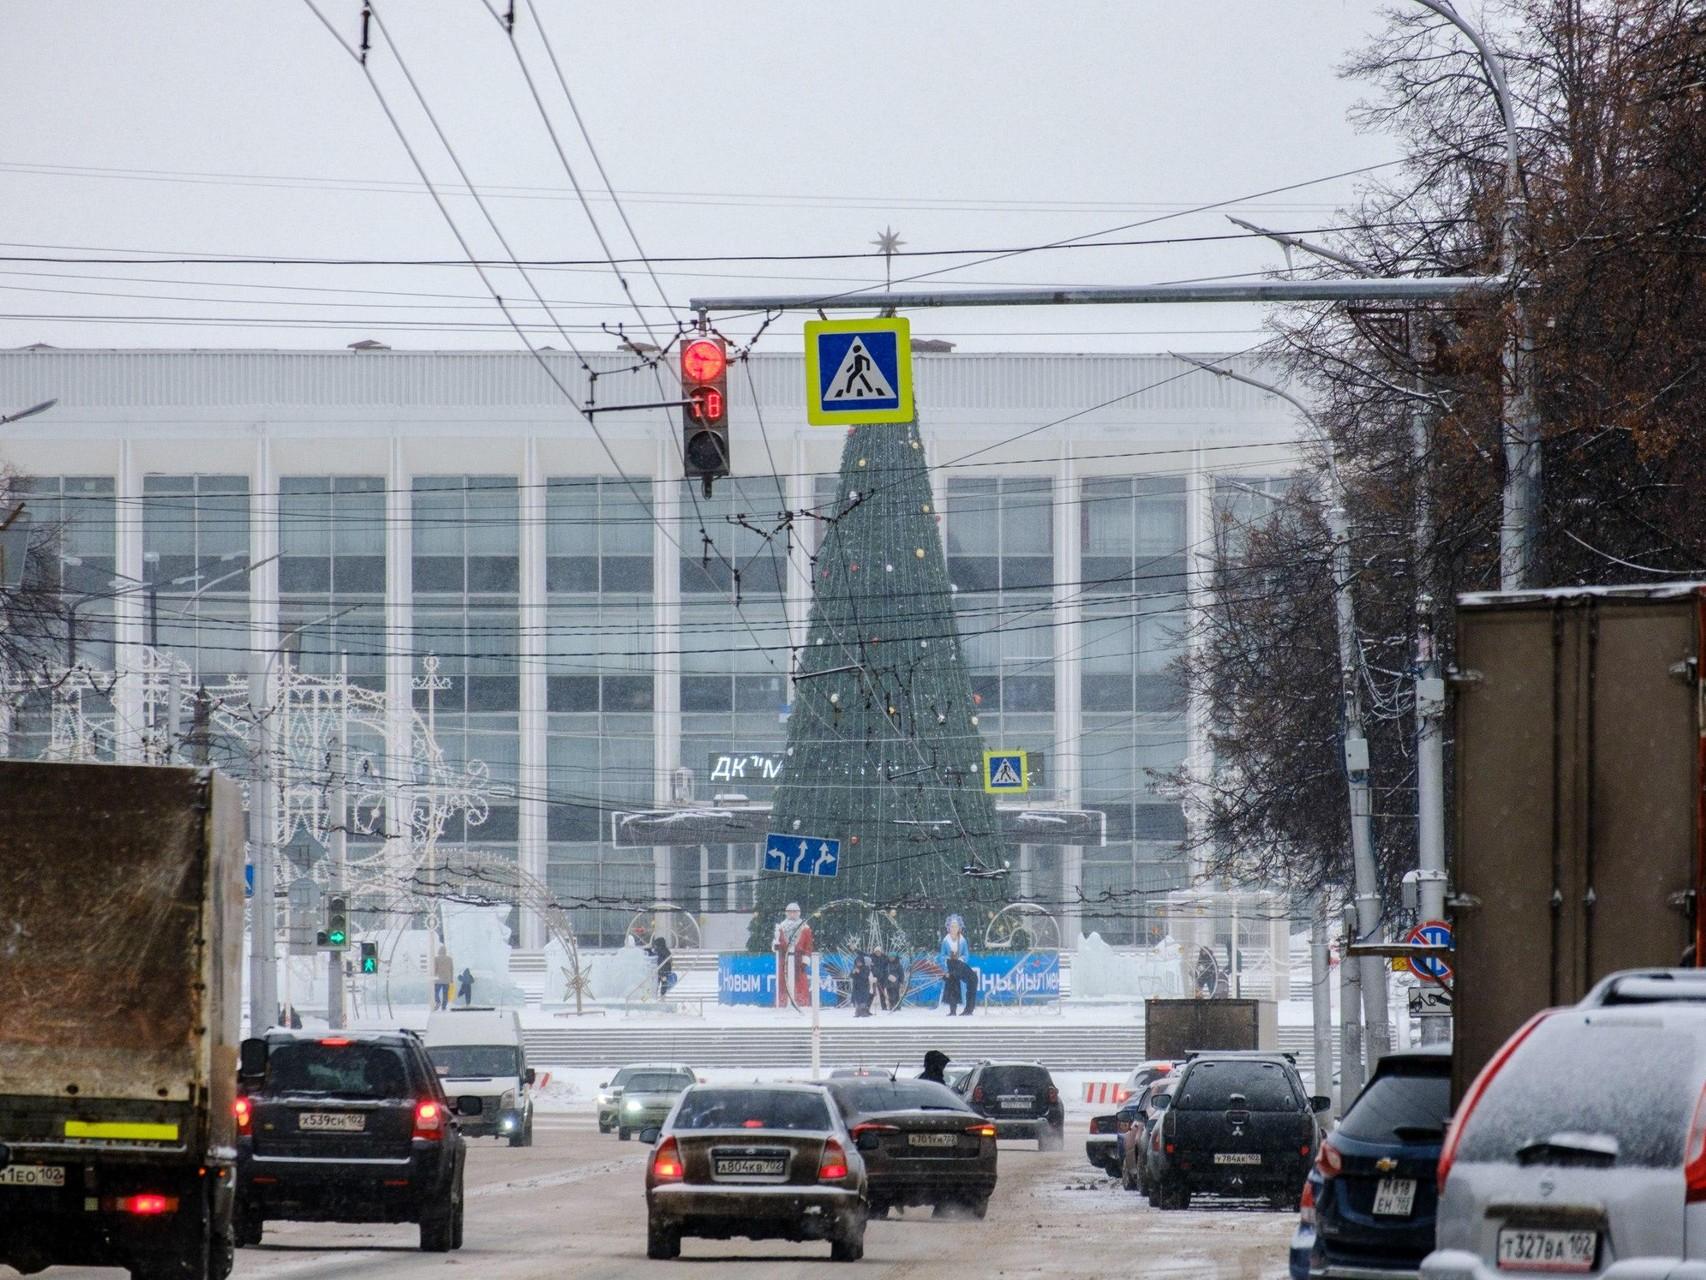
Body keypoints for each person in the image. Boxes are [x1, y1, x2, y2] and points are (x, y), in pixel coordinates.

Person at [772, 902, 814, 1008]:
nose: (792, 914)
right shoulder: (781, 927)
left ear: (798, 913)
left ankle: (801, 1002)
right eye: (790, 912)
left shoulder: (805, 927)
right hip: (784, 960)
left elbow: (808, 946)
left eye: (794, 912)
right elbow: (778, 942)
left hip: (799, 960)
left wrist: (805, 960)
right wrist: (776, 946)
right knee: (783, 982)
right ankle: (783, 1002)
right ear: (786, 913)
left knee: (800, 982)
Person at [938, 914, 977, 1016]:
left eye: (956, 926)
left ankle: (969, 1009)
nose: (954, 928)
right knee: (953, 982)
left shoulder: (962, 940)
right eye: (952, 926)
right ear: (948, 928)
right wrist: (946, 965)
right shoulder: (945, 941)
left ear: (959, 928)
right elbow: (942, 956)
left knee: (973, 978)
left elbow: (966, 954)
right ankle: (953, 1010)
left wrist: (961, 959)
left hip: (960, 964)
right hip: (950, 965)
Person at [874, 945, 903, 1011]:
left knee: (896, 995)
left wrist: (901, 981)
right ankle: (892, 1006)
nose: (891, 958)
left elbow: (901, 974)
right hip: (888, 983)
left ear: (895, 957)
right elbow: (884, 973)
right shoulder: (887, 964)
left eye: (892, 957)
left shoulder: (898, 965)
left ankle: (897, 1006)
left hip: (896, 982)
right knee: (890, 995)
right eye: (890, 957)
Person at [850, 951, 875, 1018]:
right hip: (856, 987)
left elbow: (865, 977)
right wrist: (853, 973)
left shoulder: (866, 968)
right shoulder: (854, 968)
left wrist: (859, 972)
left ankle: (864, 1012)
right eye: (857, 962)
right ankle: (857, 1012)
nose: (859, 963)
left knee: (863, 1000)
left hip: (864, 987)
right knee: (857, 1000)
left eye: (860, 962)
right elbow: (851, 976)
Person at [432, 944, 454, 1011]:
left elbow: (435, 969)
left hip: (438, 979)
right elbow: (451, 969)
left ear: (439, 951)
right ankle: (444, 1006)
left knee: (435, 992)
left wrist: (433, 976)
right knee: (445, 994)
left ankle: (438, 1001)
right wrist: (451, 979)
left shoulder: (436, 959)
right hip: (447, 979)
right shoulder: (450, 959)